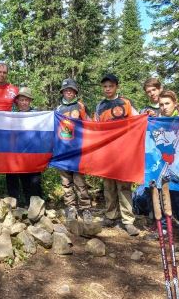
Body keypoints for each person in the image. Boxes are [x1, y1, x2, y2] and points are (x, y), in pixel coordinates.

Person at [94, 74, 140, 236]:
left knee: (124, 186)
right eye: (105, 86)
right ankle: (111, 216)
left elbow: (138, 121)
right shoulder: (99, 106)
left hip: (124, 151)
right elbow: (95, 128)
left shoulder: (126, 103)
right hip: (107, 153)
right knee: (108, 186)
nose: (107, 89)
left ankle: (128, 220)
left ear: (116, 87)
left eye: (110, 86)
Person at [156, 90, 179, 251]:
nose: (164, 107)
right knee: (162, 198)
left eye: (167, 103)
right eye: (161, 104)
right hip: (162, 167)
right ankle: (164, 228)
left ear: (175, 103)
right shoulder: (157, 122)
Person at [55, 78, 92, 222]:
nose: (68, 92)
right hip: (63, 150)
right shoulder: (58, 109)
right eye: (66, 90)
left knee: (79, 181)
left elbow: (89, 124)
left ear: (75, 91)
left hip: (78, 150)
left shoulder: (80, 106)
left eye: (71, 90)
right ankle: (71, 207)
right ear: (62, 92)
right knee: (66, 182)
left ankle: (86, 208)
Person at [5, 88, 44, 207]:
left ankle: (36, 207)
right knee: (13, 176)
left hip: (33, 153)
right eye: (21, 100)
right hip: (17, 153)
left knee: (33, 180)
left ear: (30, 101)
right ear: (17, 101)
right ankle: (14, 205)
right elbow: (10, 135)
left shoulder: (37, 114)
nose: (24, 102)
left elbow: (42, 133)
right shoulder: (13, 116)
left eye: (26, 100)